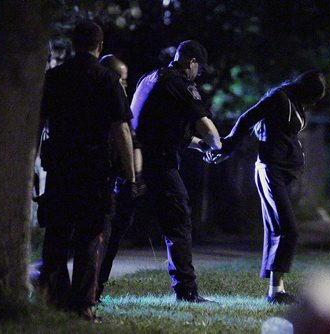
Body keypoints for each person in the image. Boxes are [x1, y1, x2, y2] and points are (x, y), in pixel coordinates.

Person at [38, 20, 135, 322]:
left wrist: (32, 163)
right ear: (100, 46)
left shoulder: (53, 77)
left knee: (56, 234)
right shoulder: (107, 80)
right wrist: (131, 176)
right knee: (90, 237)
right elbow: (120, 129)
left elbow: (37, 125)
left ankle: (54, 301)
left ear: (73, 42)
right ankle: (82, 305)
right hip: (94, 168)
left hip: (59, 167)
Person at [205, 70, 326, 304]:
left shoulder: (296, 102)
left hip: (283, 172)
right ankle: (275, 291)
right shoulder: (279, 98)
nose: (314, 103)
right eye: (315, 97)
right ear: (306, 90)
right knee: (289, 230)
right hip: (270, 170)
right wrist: (226, 148)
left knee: (277, 229)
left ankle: (276, 290)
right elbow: (246, 119)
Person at [131, 40, 222, 302]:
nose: (199, 75)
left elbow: (162, 129)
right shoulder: (180, 84)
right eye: (200, 70)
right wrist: (217, 145)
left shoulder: (150, 78)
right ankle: (186, 291)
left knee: (116, 225)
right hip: (159, 164)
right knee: (179, 221)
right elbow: (208, 130)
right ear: (192, 63)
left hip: (132, 162)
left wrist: (197, 145)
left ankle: (93, 289)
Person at [95, 54, 145, 301]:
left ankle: (98, 287)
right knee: (101, 237)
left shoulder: (122, 102)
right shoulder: (101, 102)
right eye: (121, 79)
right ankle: (90, 290)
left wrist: (135, 177)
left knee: (113, 239)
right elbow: (122, 137)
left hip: (124, 181)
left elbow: (133, 142)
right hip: (107, 179)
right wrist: (131, 177)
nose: (124, 85)